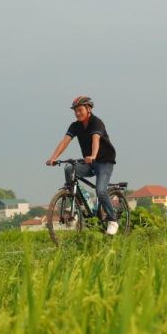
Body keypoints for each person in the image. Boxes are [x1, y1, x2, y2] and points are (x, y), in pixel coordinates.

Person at [45, 96, 120, 235]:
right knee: (69, 168)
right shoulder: (75, 126)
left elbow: (95, 140)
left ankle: (112, 220)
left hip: (104, 162)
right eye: (75, 111)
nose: (77, 113)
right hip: (89, 162)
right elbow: (65, 142)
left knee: (101, 190)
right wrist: (53, 158)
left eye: (80, 110)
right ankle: (75, 202)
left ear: (88, 109)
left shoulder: (96, 123)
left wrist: (93, 156)